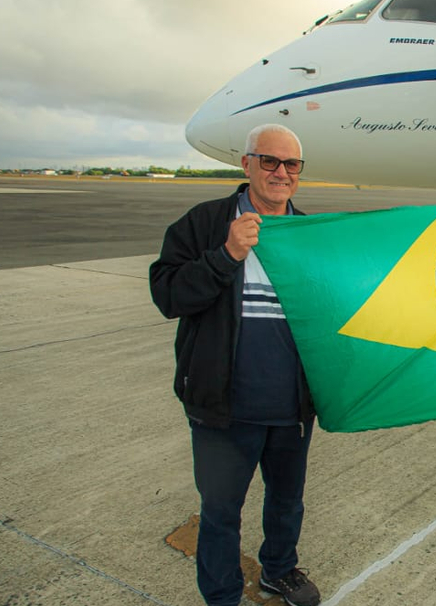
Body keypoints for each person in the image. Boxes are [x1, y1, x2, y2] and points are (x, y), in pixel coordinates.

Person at [149, 124, 321, 606]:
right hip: (223, 406)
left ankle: (278, 571)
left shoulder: (308, 234)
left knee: (286, 502)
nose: (281, 173)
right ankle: (223, 596)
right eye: (269, 161)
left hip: (290, 407)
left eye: (291, 165)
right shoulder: (204, 223)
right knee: (221, 510)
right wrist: (227, 255)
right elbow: (168, 295)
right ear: (246, 165)